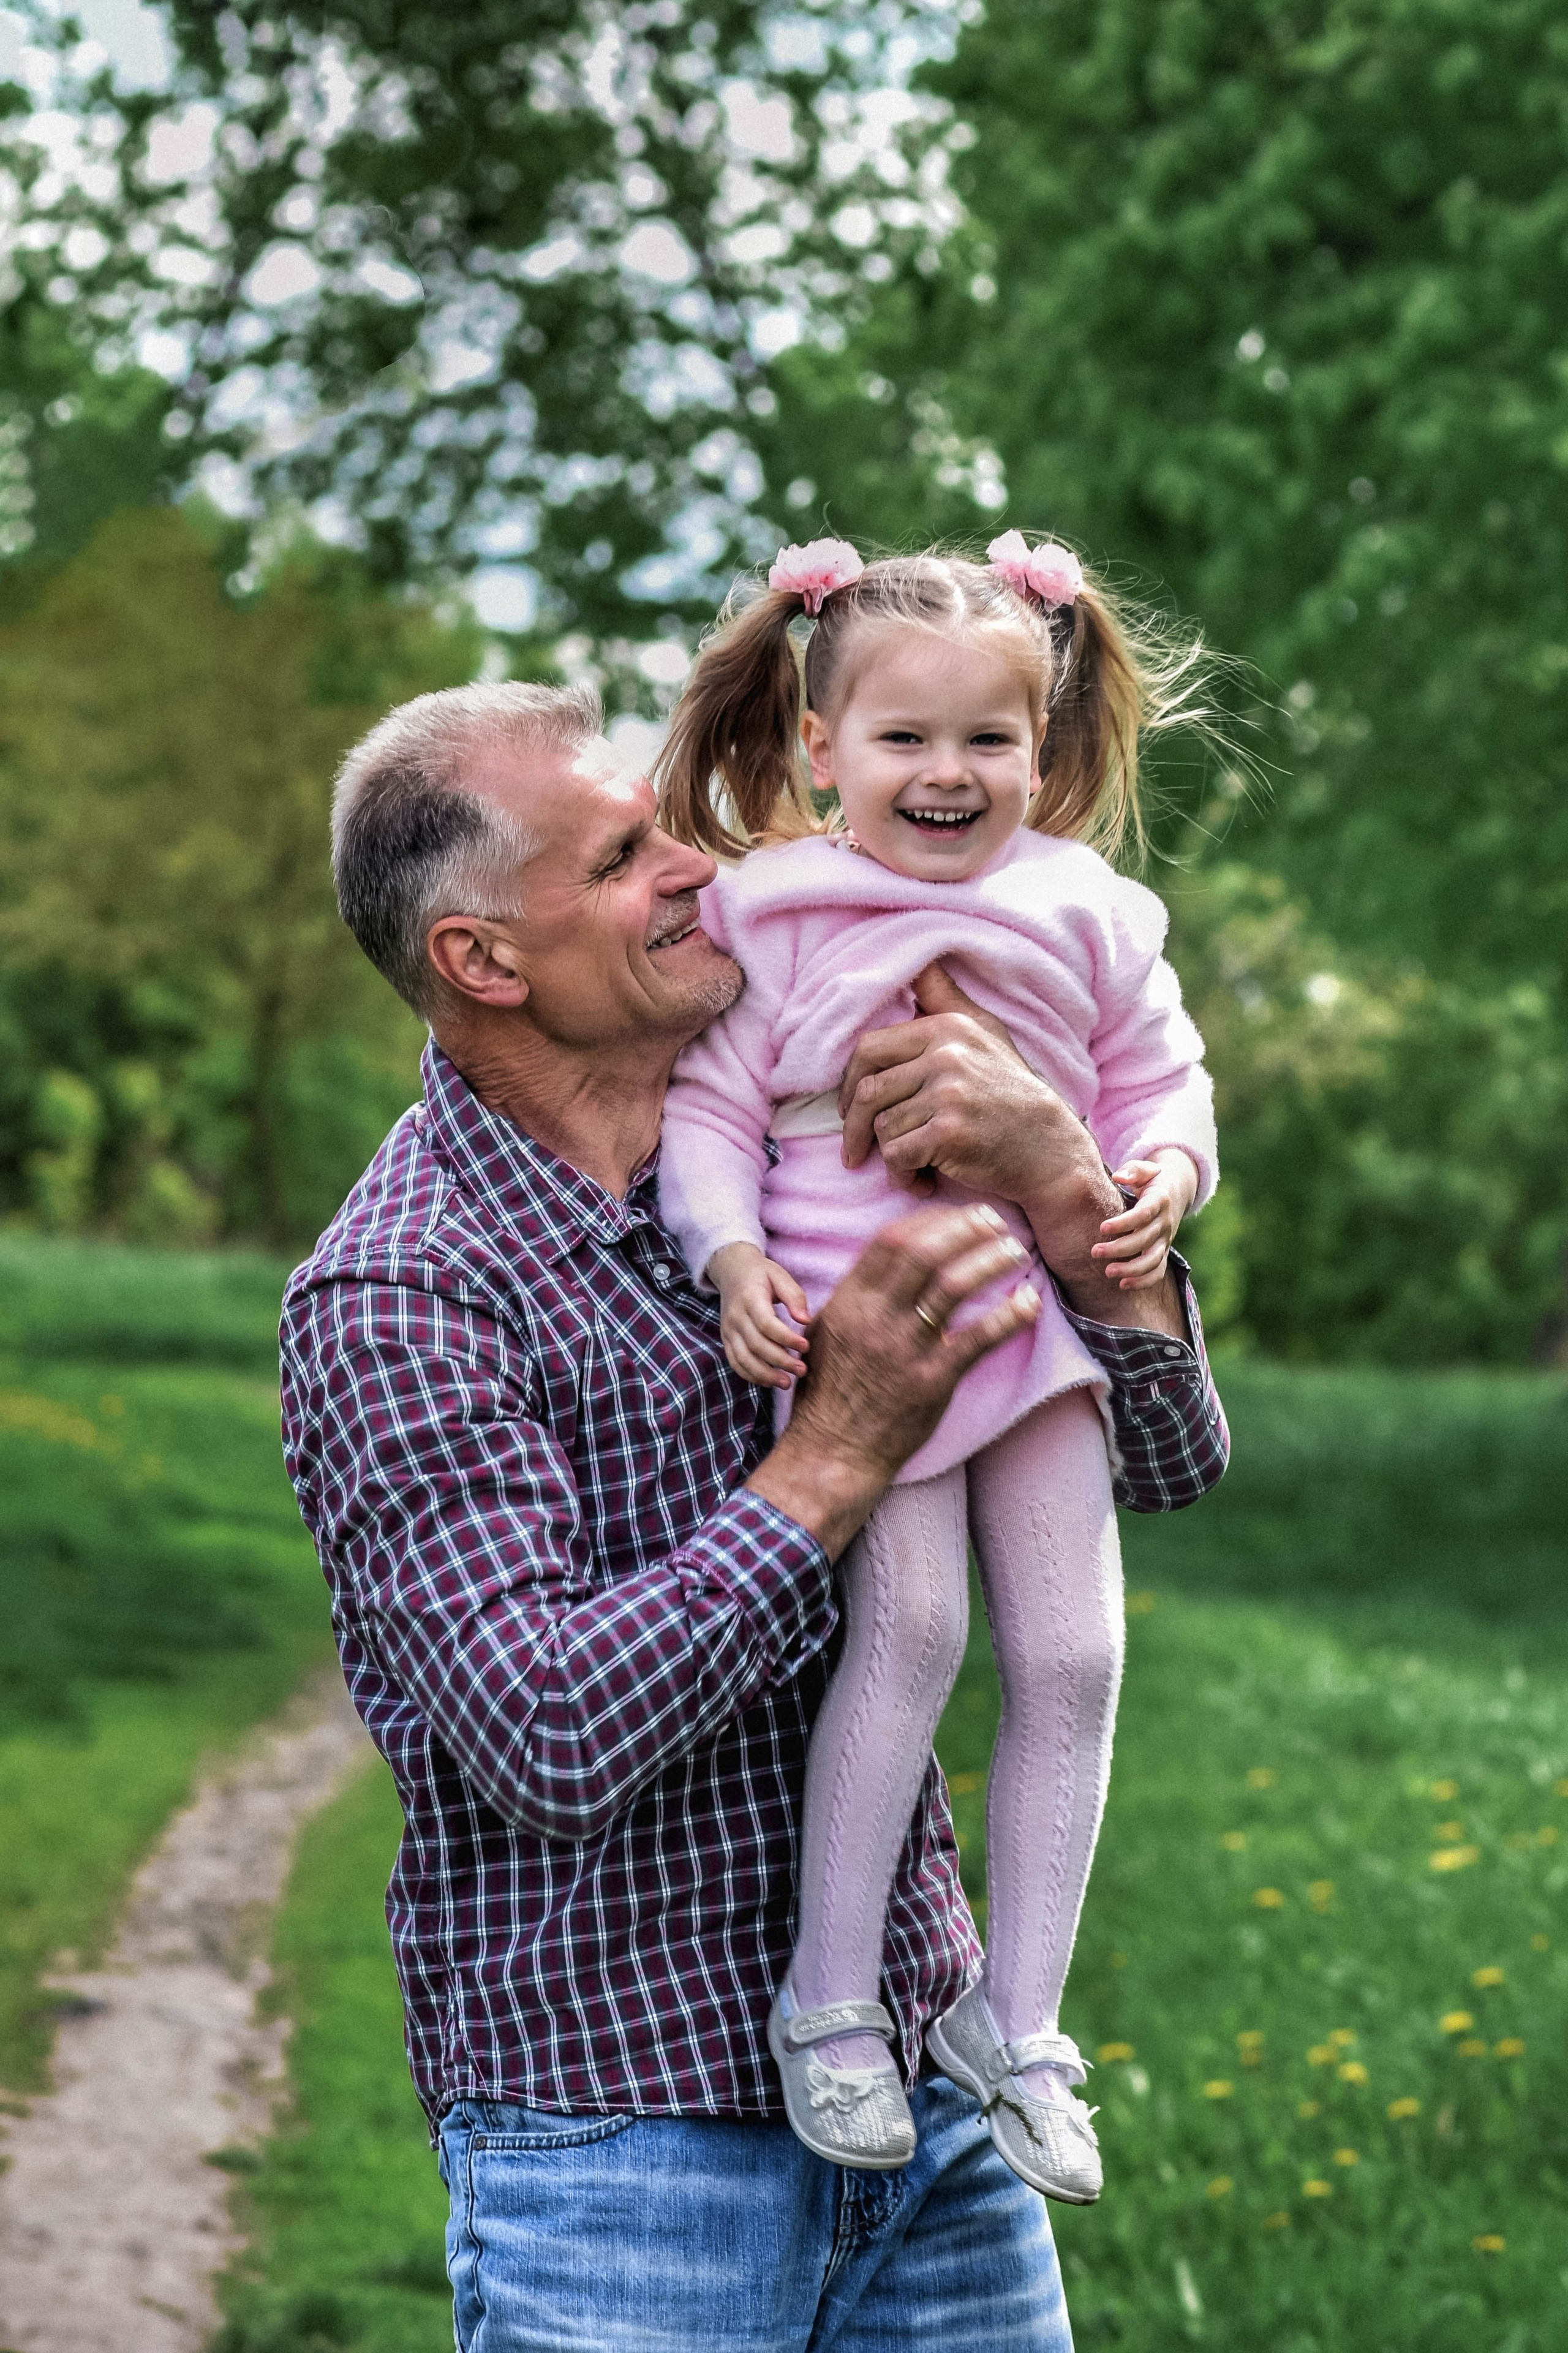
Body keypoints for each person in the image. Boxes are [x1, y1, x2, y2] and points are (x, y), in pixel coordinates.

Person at [279, 679, 1229, 2353]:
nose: (698, 868)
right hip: (625, 2151)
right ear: (486, 961)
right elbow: (544, 1732)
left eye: (675, 822)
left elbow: (1164, 1465)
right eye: (625, 855)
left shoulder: (824, 1102)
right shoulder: (402, 1289)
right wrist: (834, 1455)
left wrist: (1071, 1189)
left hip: (932, 2118)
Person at [654, 535, 1219, 2204]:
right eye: (906, 739)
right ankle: (831, 2004)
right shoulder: (771, 908)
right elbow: (714, 1114)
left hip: (1035, 1319)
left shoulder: (1090, 907)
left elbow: (1161, 1078)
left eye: (991, 739)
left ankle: (1017, 2022)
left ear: (1042, 752)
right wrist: (733, 1255)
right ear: (822, 746)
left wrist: (1163, 1176)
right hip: (861, 1323)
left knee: (1077, 1652)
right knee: (910, 1630)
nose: (950, 773)